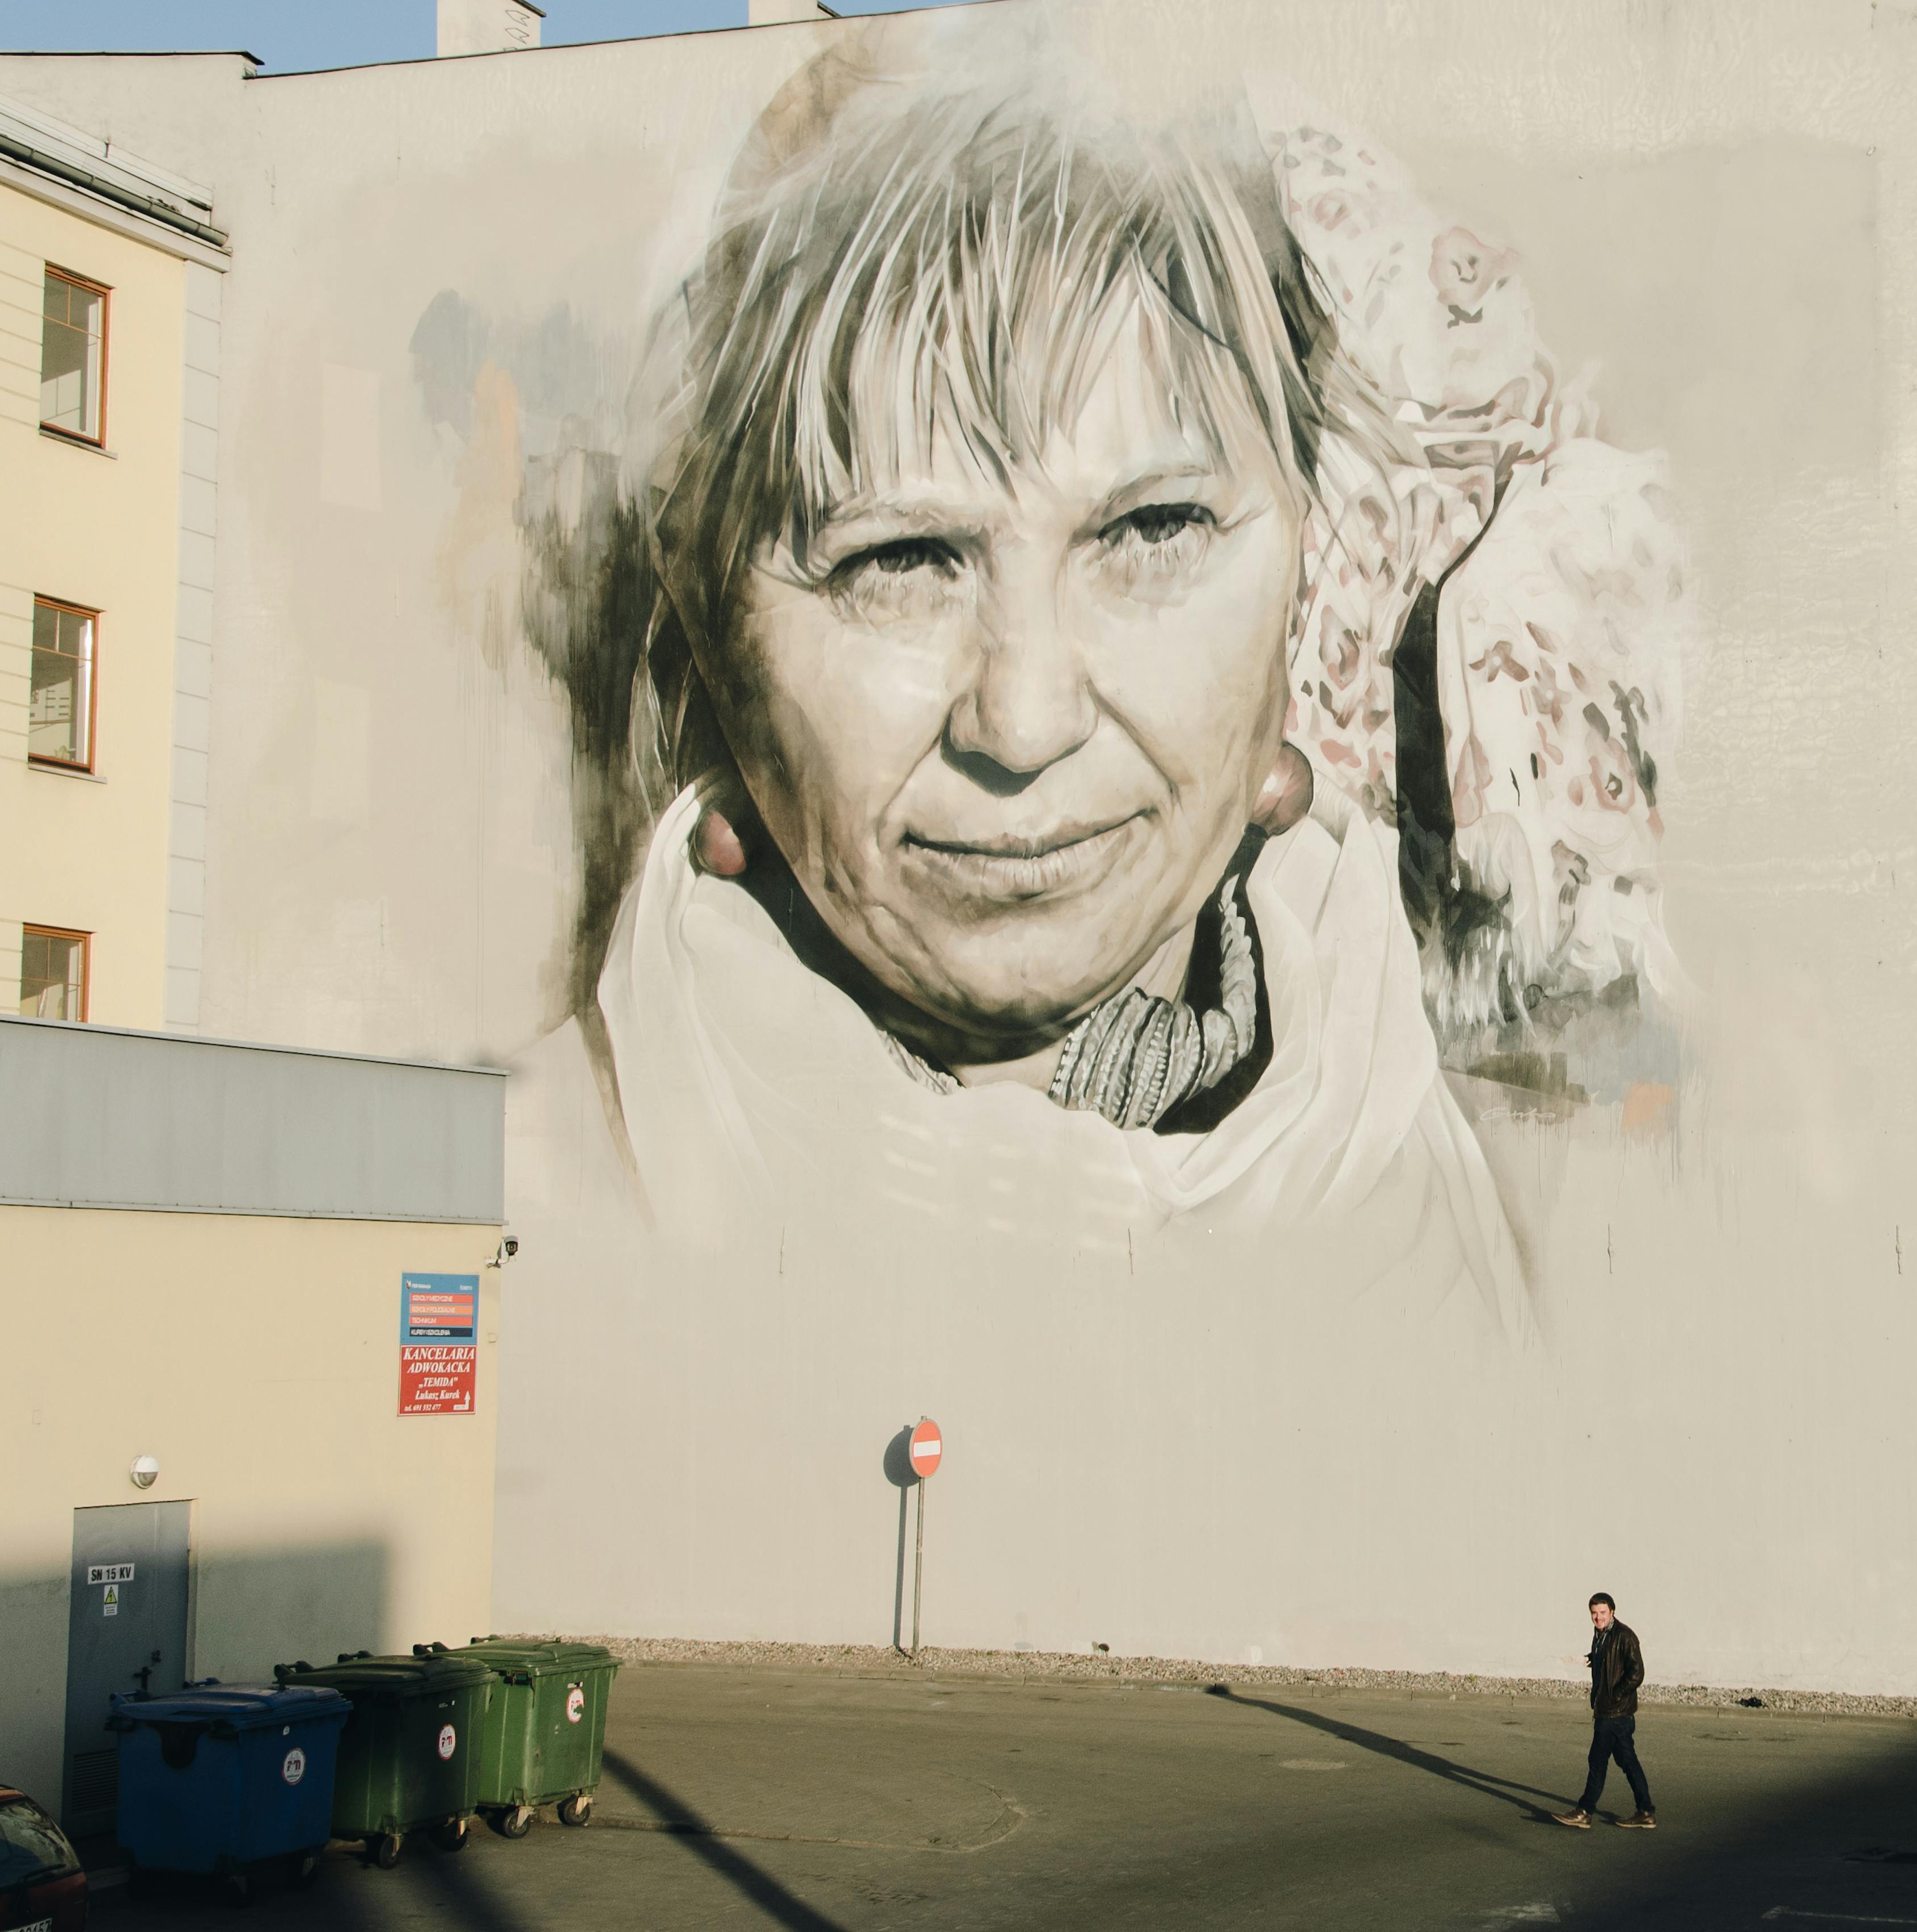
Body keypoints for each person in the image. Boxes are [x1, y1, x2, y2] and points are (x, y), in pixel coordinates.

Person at [572, 27, 1530, 1319]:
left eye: (1149, 531)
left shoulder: (1460, 1189)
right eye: (900, 557)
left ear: (1314, 557)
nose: (1023, 720)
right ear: (710, 618)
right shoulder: (528, 1209)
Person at [1552, 1590, 1654, 1830]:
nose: (1598, 1618)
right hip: (1608, 1711)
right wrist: (1590, 1659)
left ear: (1613, 1612)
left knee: (1597, 1761)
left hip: (1615, 1714)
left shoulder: (1625, 1636)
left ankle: (1585, 1811)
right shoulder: (1601, 1635)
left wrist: (1615, 1695)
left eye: (1603, 1613)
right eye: (1595, 1613)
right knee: (1628, 1762)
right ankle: (1646, 1812)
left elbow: (1636, 1673)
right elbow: (1609, 1661)